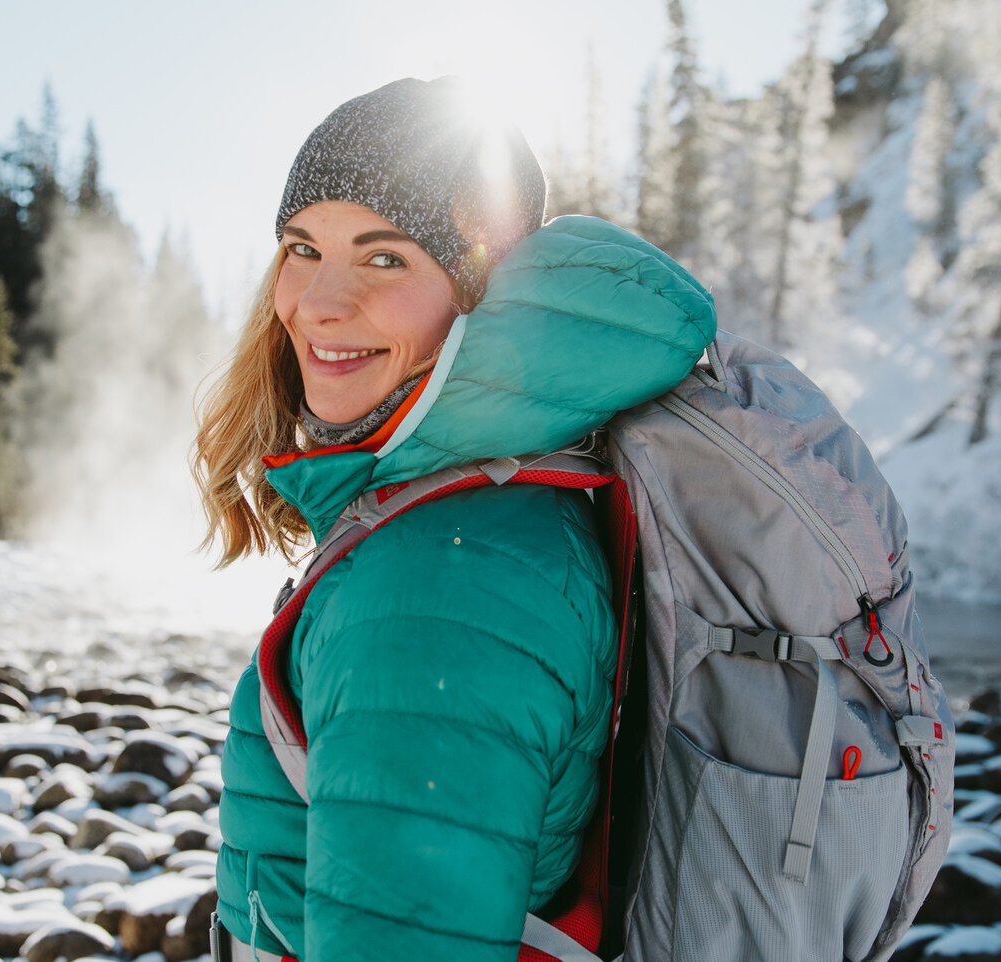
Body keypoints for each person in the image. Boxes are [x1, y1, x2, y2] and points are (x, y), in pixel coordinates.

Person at [192, 77, 715, 962]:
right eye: (301, 247)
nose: (317, 302)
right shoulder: (493, 508)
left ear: (480, 292)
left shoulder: (436, 580)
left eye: (386, 257)